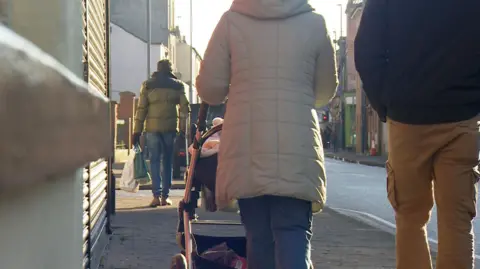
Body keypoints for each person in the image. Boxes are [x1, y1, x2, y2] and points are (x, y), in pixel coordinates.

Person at [195, 0, 338, 267]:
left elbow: (209, 89)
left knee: (258, 237)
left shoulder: (231, 21)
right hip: (297, 146)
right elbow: (324, 92)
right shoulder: (315, 23)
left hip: (248, 147)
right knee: (293, 231)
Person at [355, 1, 480, 269]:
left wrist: (386, 103)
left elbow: (366, 51)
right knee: (456, 220)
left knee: (410, 217)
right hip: (462, 115)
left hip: (407, 116)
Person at [133, 60, 190, 207]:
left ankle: (156, 196)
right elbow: (185, 108)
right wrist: (184, 128)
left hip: (152, 130)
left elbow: (141, 110)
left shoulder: (148, 85)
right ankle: (165, 196)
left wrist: (136, 131)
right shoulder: (178, 85)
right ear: (171, 70)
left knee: (154, 161)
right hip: (170, 129)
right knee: (168, 162)